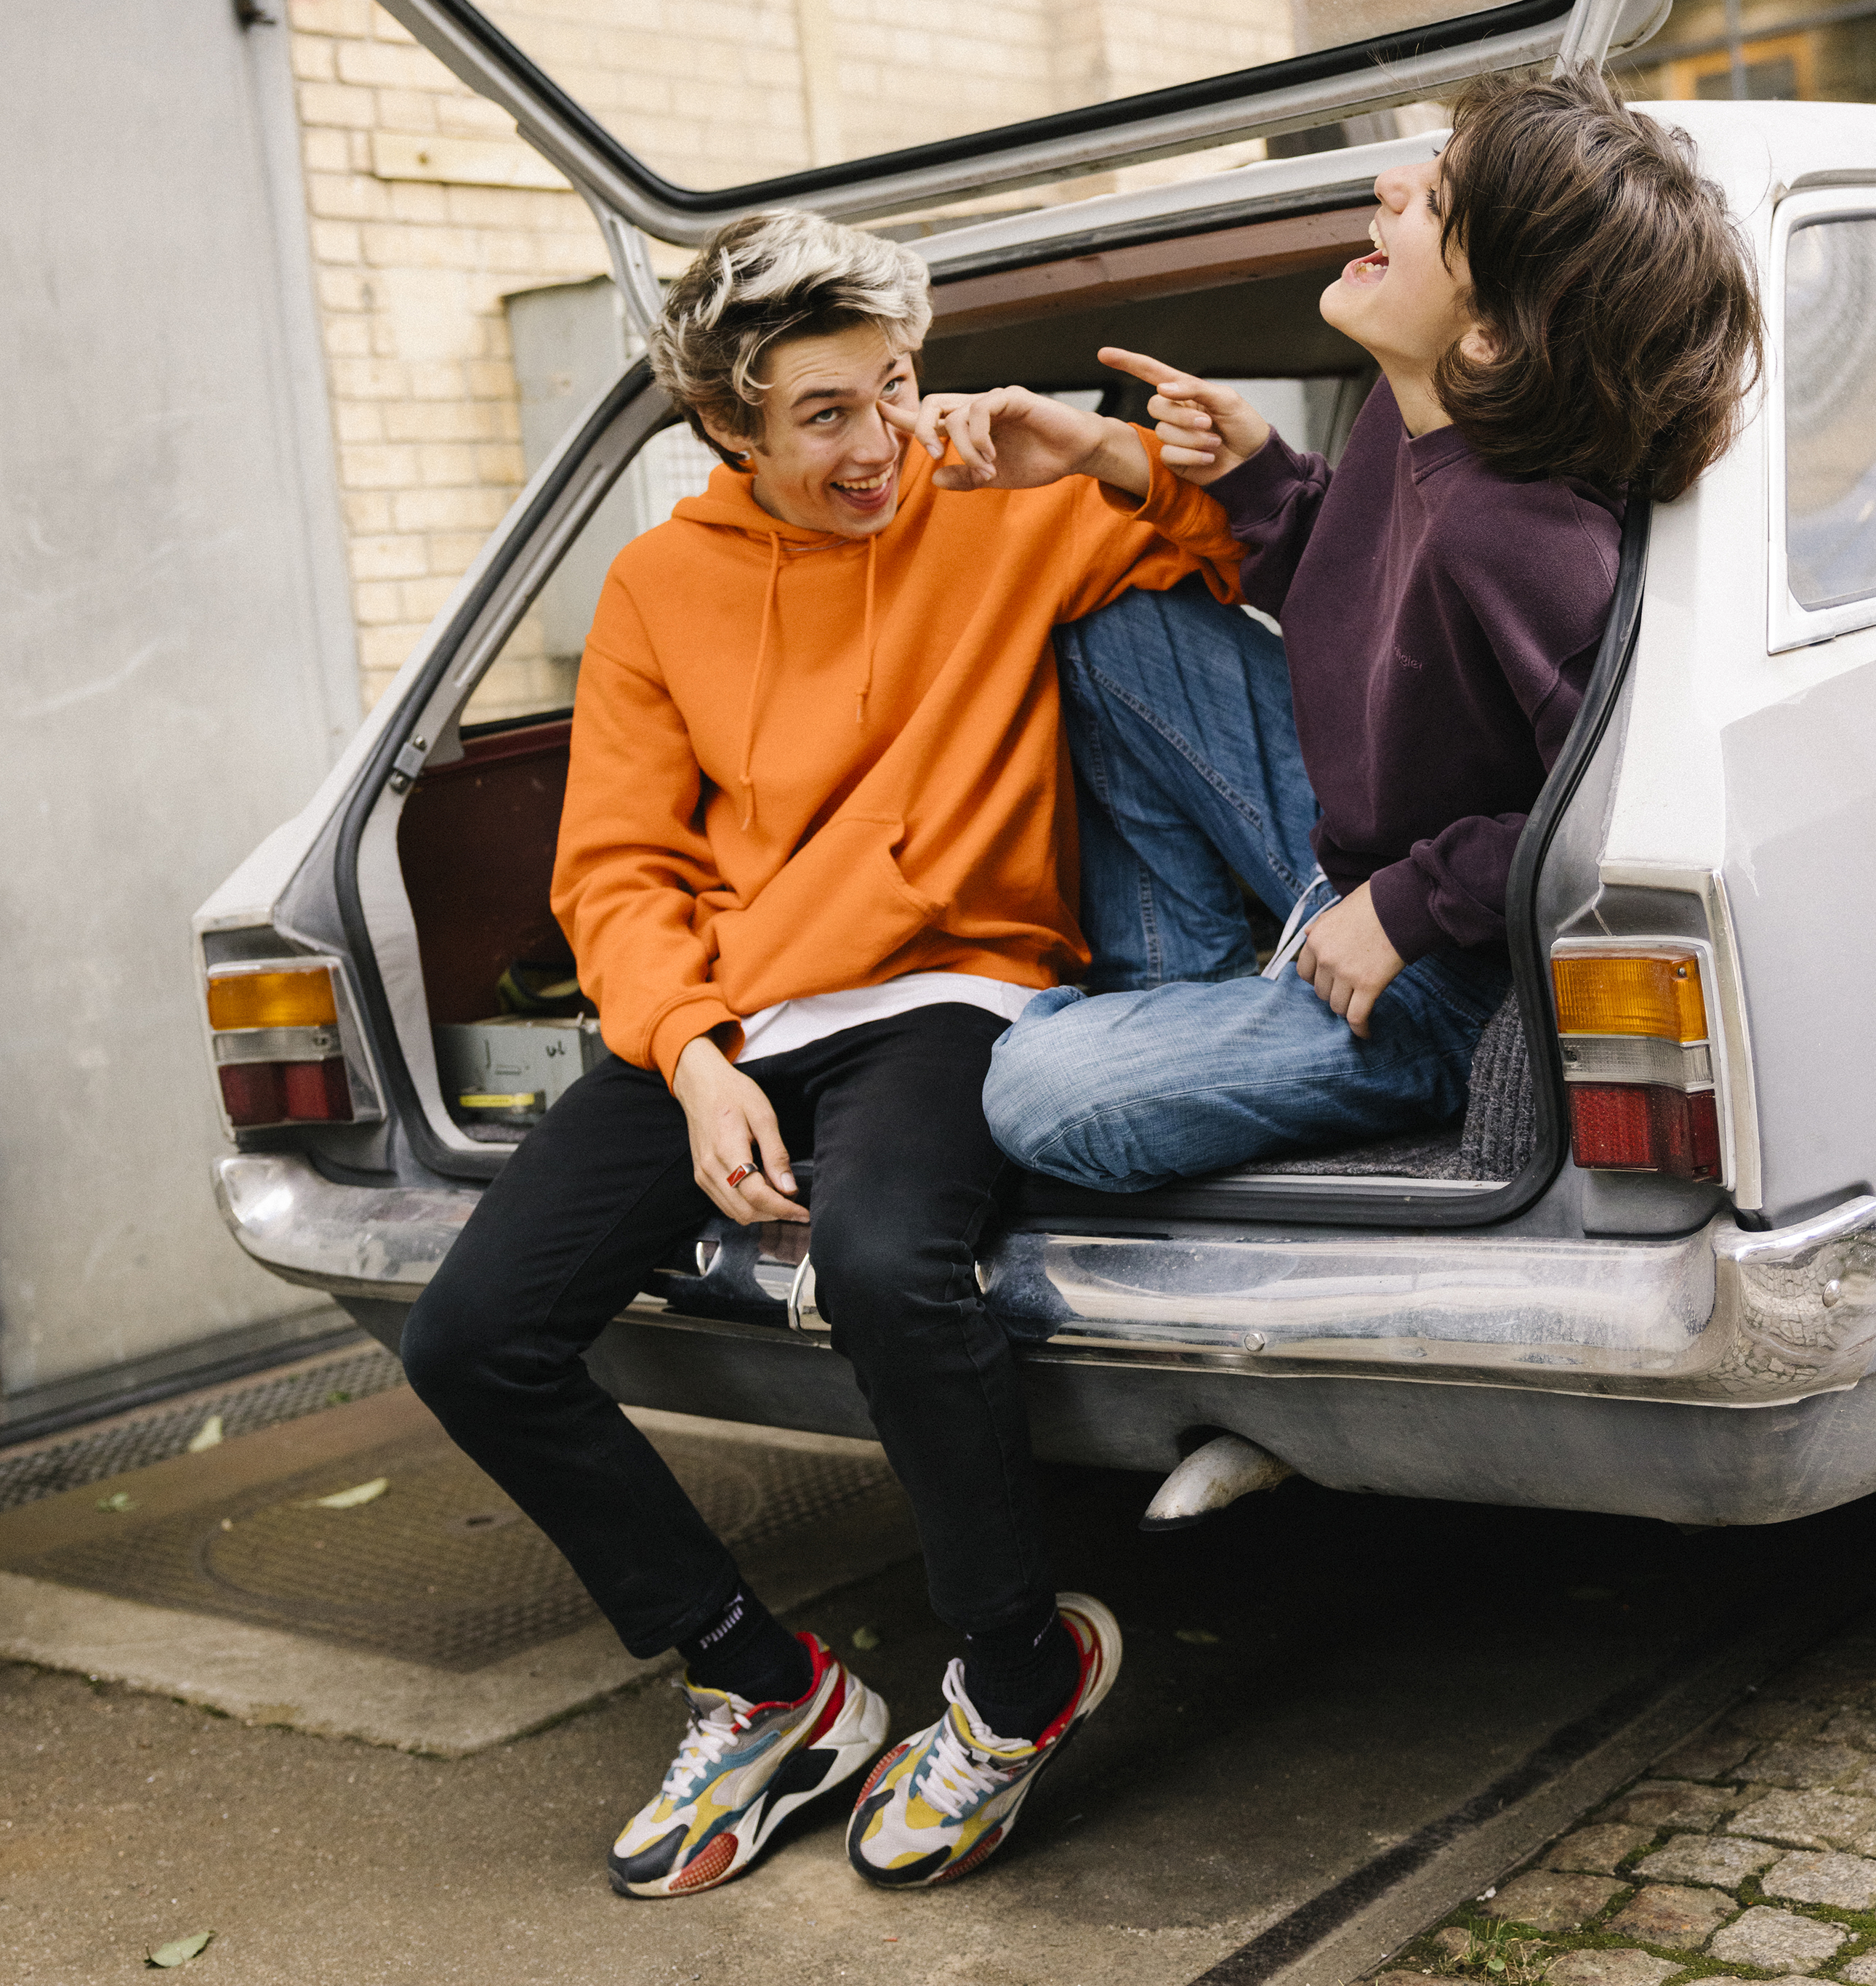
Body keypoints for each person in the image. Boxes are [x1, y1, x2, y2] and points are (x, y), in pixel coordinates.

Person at [398, 209, 1252, 1895]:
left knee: (879, 1260)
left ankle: (1017, 1675)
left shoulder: (1002, 512)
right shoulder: (659, 584)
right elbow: (618, 867)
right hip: (734, 1013)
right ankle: (763, 1681)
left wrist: (1090, 451)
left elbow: (1241, 547)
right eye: (824, 414)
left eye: (893, 388)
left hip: (954, 983)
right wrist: (691, 1054)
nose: (879, 444)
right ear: (731, 425)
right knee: (471, 1335)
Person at [981, 66, 1763, 1190]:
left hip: (1449, 972)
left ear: (1490, 339)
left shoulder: (1527, 535)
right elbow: (1353, 595)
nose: (1391, 182)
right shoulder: (1420, 427)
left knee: (1035, 1094)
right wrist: (1243, 470)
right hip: (1355, 852)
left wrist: (1404, 909)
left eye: (1433, 200)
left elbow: (1617, 814)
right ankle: (1205, 1000)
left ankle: (1219, 1028)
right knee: (1125, 633)